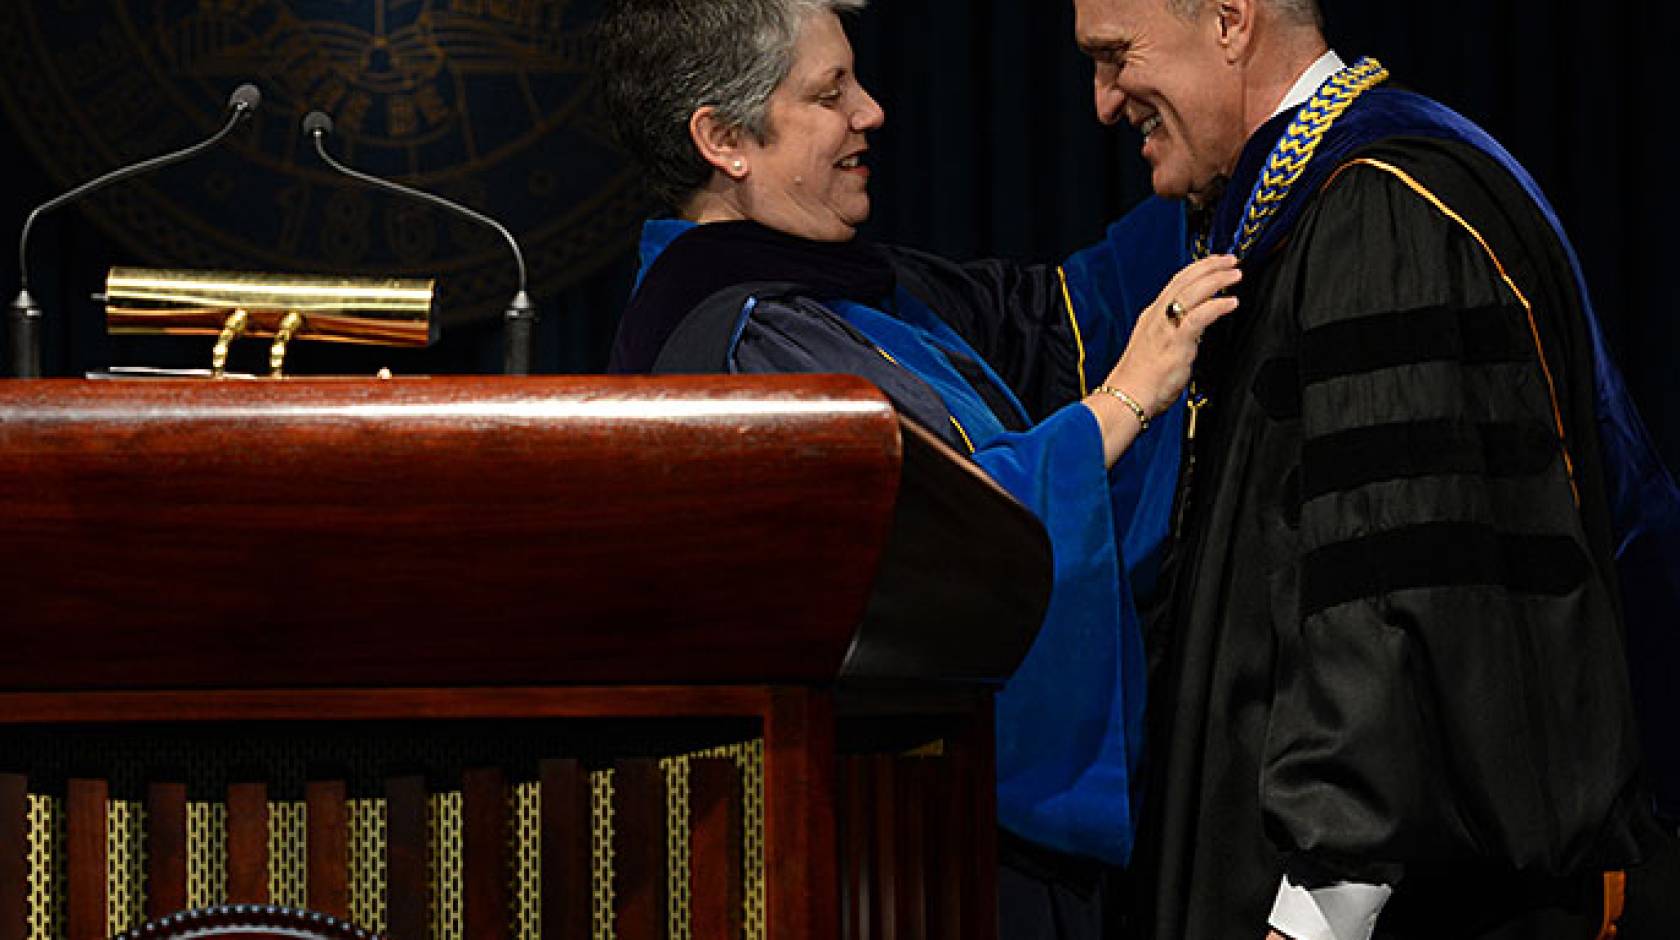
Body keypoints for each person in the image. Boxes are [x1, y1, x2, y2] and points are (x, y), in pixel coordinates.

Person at [595, 0, 1240, 933]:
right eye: (830, 93)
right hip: (893, 850)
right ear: (725, 138)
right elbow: (930, 537)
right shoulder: (733, 346)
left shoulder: (856, 287)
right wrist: (1123, 404)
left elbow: (1063, 315)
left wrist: (1242, 151)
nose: (872, 111)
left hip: (952, 827)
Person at [1067, 0, 1680, 937]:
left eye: (1117, 56)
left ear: (1231, 19)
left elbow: (1397, 593)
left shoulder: (1380, 211)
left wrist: (1318, 908)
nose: (1105, 103)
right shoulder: (1294, 204)